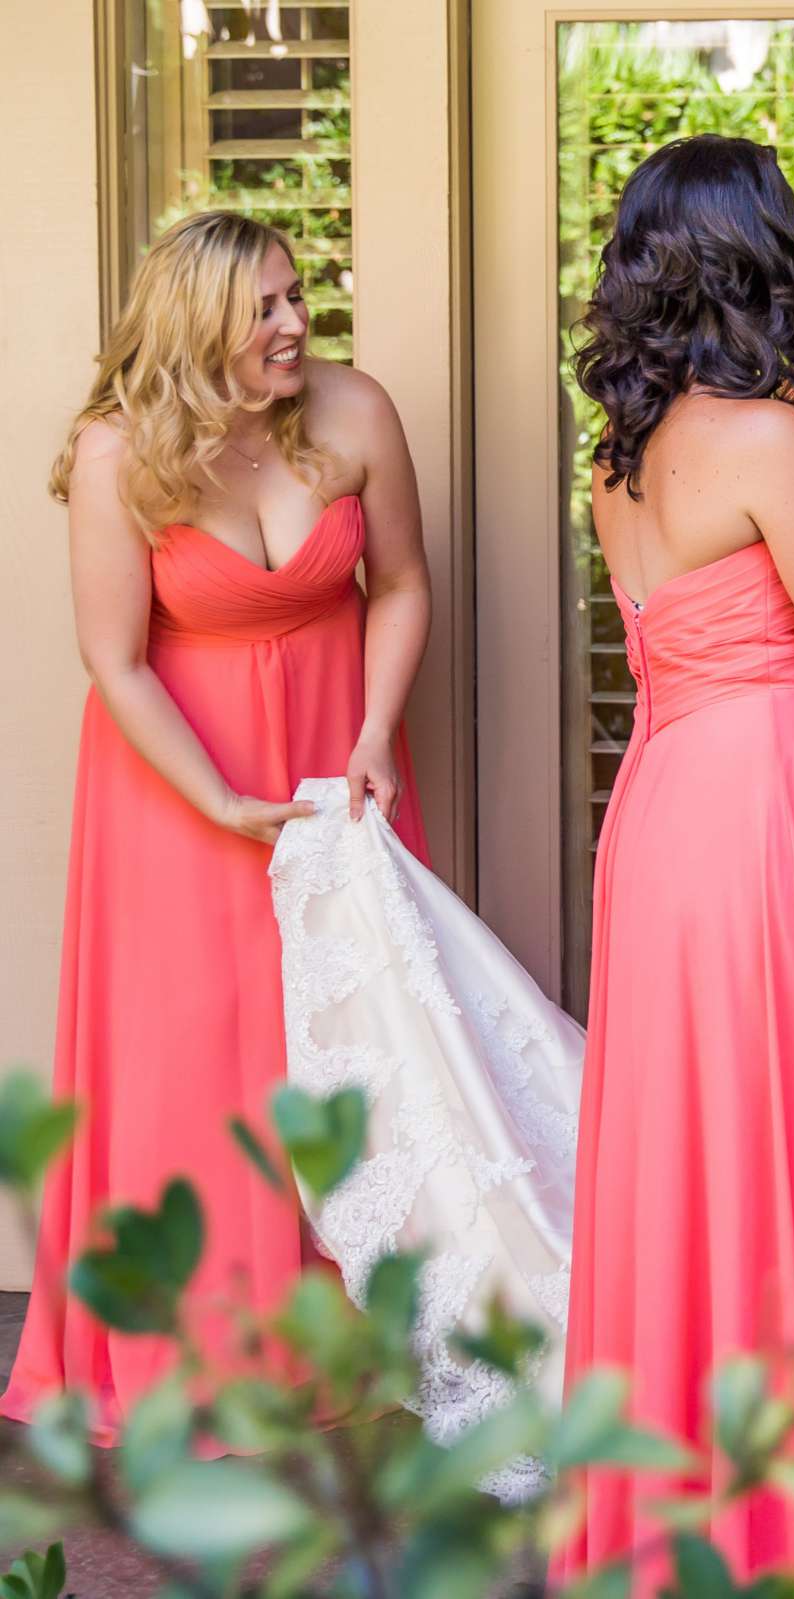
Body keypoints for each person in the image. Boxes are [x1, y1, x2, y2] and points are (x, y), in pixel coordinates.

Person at [555, 135, 794, 1584]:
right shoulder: (776, 440)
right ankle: (782, 1504)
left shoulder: (621, 457)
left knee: (678, 1153)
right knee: (772, 1139)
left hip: (660, 810)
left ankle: (669, 1494)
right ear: (752, 254)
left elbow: (712, 611)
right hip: (761, 812)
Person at [2, 210, 429, 1438]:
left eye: (299, 295)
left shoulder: (355, 413)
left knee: (339, 1038)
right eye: (266, 309)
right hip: (179, 789)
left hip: (334, 766)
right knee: (200, 1059)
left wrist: (371, 738)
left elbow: (400, 583)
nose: (297, 323)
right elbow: (116, 662)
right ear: (197, 328)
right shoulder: (116, 452)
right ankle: (202, 1360)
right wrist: (219, 804)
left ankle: (341, 1336)